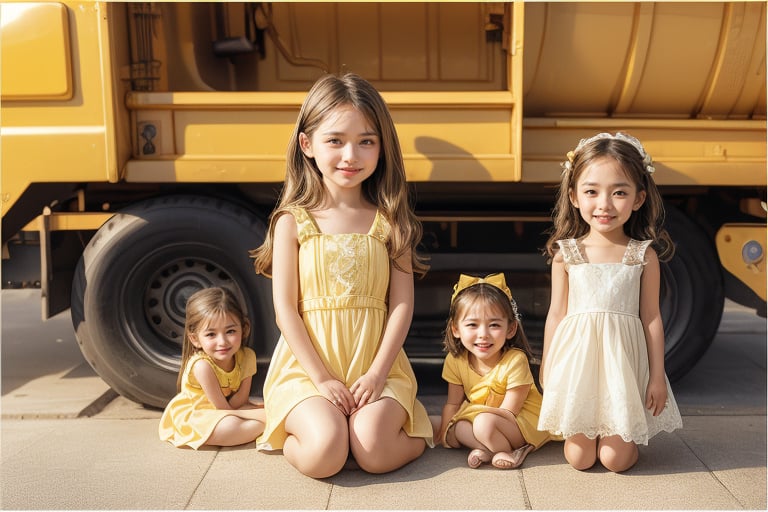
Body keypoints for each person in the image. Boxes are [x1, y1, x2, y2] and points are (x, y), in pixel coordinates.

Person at [251, 73, 433, 478]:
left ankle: (421, 430)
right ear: (307, 145)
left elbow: (401, 306)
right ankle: (302, 428)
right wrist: (321, 379)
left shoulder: (390, 222)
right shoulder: (292, 222)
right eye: (335, 140)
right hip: (307, 371)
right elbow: (285, 309)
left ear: (382, 148)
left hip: (376, 367)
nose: (350, 154)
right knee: (325, 455)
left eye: (366, 141)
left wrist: (376, 373)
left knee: (374, 452)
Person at [538, 132, 683, 472]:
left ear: (638, 198)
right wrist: (547, 363)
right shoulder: (566, 255)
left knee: (614, 461)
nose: (604, 204)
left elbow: (651, 317)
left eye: (619, 192)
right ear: (574, 196)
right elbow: (557, 314)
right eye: (592, 191)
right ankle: (593, 435)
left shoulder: (642, 256)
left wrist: (657, 376)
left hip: (622, 363)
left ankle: (622, 442)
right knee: (579, 459)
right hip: (580, 362)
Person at [437, 273, 552, 469]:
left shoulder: (515, 360)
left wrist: (478, 419)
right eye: (472, 324)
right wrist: (445, 436)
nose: (483, 334)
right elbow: (453, 403)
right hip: (484, 419)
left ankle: (514, 451)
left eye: (494, 325)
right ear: (455, 329)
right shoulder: (455, 360)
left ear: (511, 329)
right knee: (460, 427)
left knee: (482, 424)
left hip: (519, 422)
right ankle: (489, 450)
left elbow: (509, 412)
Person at [159, 287, 265, 449]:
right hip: (200, 415)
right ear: (195, 339)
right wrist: (260, 416)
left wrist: (255, 411)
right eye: (211, 334)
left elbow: (239, 402)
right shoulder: (202, 366)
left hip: (228, 411)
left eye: (230, 331)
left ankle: (261, 425)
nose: (222, 342)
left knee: (271, 406)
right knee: (230, 425)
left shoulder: (247, 357)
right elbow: (221, 409)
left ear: (243, 329)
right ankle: (265, 426)